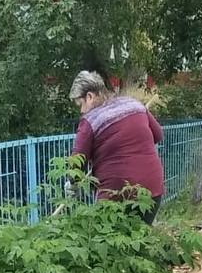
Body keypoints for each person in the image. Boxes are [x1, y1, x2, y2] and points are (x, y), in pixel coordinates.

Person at [68, 71, 166, 222]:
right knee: (140, 240)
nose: (81, 111)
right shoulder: (133, 104)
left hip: (116, 197)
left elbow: (76, 166)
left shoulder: (89, 121)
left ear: (90, 96)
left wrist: (72, 185)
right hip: (152, 189)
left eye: (80, 104)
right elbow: (158, 134)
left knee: (107, 241)